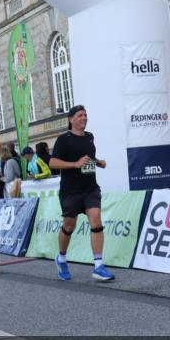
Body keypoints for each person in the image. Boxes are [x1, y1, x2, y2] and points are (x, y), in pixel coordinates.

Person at [48, 105, 115, 282]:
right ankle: (61, 258)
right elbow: (53, 163)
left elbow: (87, 158)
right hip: (71, 190)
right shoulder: (63, 139)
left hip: (90, 188)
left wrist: (98, 162)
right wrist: (75, 164)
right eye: (80, 115)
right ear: (71, 119)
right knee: (69, 226)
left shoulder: (89, 137)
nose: (84, 118)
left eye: (85, 115)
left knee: (96, 220)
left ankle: (99, 266)